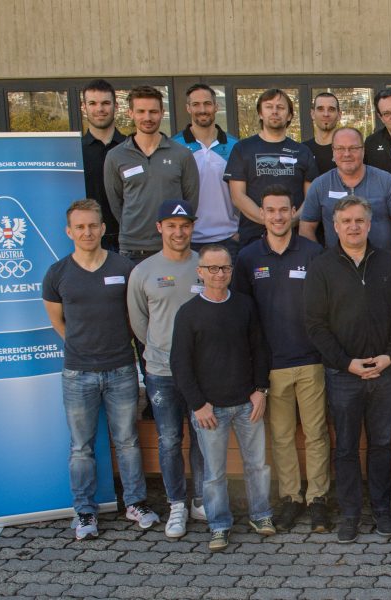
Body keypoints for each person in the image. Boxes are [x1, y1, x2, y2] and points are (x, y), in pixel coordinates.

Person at [43, 198, 155, 540]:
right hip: (77, 373)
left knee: (127, 441)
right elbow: (57, 320)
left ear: (103, 228)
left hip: (121, 368)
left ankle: (135, 503)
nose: (87, 231)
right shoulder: (57, 273)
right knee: (81, 447)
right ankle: (85, 512)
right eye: (80, 227)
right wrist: (82, 345)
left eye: (93, 225)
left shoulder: (123, 268)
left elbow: (135, 316)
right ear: (69, 231)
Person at [304, 196, 391, 543]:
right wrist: (345, 363)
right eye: (346, 221)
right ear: (335, 227)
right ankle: (350, 514)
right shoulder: (322, 266)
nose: (353, 226)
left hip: (383, 372)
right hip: (343, 374)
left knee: (382, 444)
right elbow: (315, 324)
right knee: (347, 447)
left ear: (370, 224)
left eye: (359, 221)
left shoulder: (388, 263)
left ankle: (382, 510)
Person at [232, 186, 330, 534]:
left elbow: (326, 307)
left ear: (293, 213)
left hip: (310, 361)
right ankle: (291, 498)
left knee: (317, 433)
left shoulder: (314, 252)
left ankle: (318, 499)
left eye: (283, 210)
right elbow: (241, 313)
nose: (276, 216)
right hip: (271, 364)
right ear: (262, 213)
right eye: (270, 210)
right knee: (282, 436)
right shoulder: (247, 258)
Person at [171, 244, 274, 552]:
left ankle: (261, 514)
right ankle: (219, 524)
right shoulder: (188, 313)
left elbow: (260, 349)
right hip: (209, 409)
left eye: (224, 268)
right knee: (214, 474)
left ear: (232, 271)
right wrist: (197, 404)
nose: (218, 274)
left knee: (257, 465)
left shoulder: (245, 305)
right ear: (200, 272)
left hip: (246, 403)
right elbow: (180, 364)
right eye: (212, 268)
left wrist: (260, 390)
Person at [127, 200, 206, 536]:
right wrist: (163, 350)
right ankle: (176, 503)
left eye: (185, 225)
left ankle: (201, 498)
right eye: (172, 225)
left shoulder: (207, 265)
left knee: (203, 437)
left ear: (192, 228)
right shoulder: (143, 271)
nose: (179, 231)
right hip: (161, 372)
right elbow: (139, 321)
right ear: (160, 227)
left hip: (202, 371)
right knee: (170, 439)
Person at [104, 85, 200, 263]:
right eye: (141, 111)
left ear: (162, 112)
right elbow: (116, 203)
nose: (147, 117)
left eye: (153, 111)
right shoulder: (116, 156)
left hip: (173, 245)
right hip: (132, 248)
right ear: (130, 113)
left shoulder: (181, 154)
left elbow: (190, 200)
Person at [226, 88, 319, 246]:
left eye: (281, 107)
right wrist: (272, 222)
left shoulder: (302, 151)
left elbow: (311, 198)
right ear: (261, 113)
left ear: (289, 115)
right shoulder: (242, 149)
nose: (275, 111)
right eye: (269, 107)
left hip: (293, 238)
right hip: (253, 238)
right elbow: (238, 197)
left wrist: (289, 222)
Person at [300, 127, 391, 252]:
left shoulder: (386, 181)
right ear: (333, 151)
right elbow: (306, 228)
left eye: (353, 148)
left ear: (363, 150)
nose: (347, 154)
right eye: (340, 148)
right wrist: (321, 263)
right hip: (336, 268)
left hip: (381, 266)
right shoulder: (320, 185)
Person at [172, 83, 240, 256]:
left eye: (207, 104)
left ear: (216, 106)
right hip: (189, 240)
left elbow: (246, 192)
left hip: (229, 238)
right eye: (196, 104)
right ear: (188, 108)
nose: (202, 109)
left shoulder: (235, 146)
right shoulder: (174, 146)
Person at [81, 79, 126, 251]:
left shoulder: (132, 149)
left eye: (106, 103)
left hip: (127, 240)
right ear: (84, 108)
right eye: (93, 103)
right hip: (89, 241)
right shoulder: (75, 152)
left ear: (116, 106)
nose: (100, 109)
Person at [304, 92, 341, 174]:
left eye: (331, 109)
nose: (326, 114)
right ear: (312, 114)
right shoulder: (303, 150)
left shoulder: (348, 151)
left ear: (339, 115)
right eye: (320, 109)